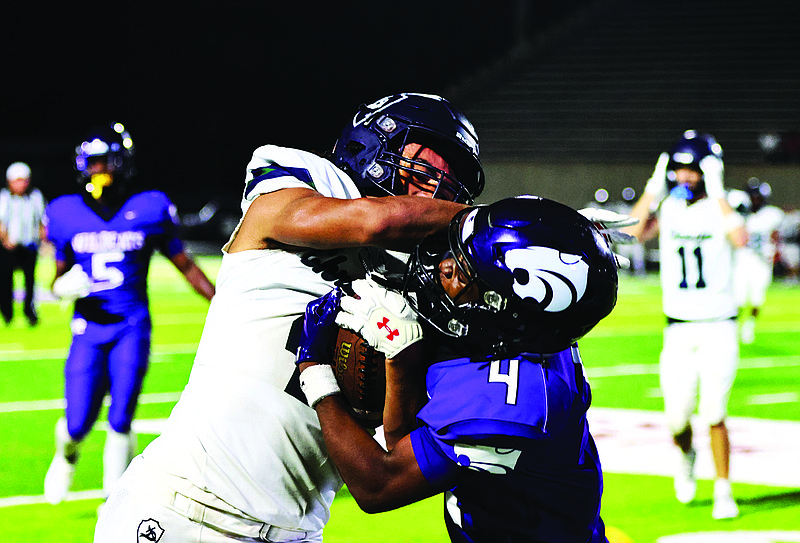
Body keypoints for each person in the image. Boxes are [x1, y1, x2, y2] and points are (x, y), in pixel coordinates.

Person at [94, 93, 486, 543]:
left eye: (455, 177)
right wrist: (488, 222)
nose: (441, 181)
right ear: (378, 139)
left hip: (295, 531)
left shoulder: (433, 285)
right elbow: (373, 224)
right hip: (181, 510)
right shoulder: (305, 179)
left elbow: (397, 444)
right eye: (434, 157)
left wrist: (404, 362)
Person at [295, 196, 622, 543]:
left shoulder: (512, 404)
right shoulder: (525, 332)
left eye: (465, 271)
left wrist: (315, 371)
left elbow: (378, 486)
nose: (444, 266)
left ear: (503, 310)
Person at [43, 121, 216, 506]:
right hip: (88, 329)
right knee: (77, 423)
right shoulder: (65, 212)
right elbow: (54, 282)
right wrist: (60, 288)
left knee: (122, 416)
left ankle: (115, 497)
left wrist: (220, 303)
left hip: (131, 327)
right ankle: (67, 453)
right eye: (92, 163)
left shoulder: (149, 207)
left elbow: (186, 265)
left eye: (104, 163)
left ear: (121, 164)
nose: (97, 171)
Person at [624, 130, 747, 520]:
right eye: (678, 169)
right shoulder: (671, 209)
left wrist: (719, 190)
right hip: (678, 328)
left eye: (692, 170)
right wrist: (653, 187)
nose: (685, 177)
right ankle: (686, 456)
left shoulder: (723, 207)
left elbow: (741, 238)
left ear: (710, 171)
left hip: (719, 326)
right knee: (677, 417)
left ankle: (723, 490)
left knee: (714, 410)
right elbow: (631, 233)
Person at [732, 178, 785, 344]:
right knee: (738, 298)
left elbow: (777, 235)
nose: (755, 200)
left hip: (761, 261)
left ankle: (749, 326)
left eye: (757, 197)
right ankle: (733, 327)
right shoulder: (737, 213)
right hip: (741, 259)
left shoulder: (771, 215)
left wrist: (773, 251)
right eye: (752, 196)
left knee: (756, 298)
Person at [0, 161, 46, 326]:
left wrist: (42, 241)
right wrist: (5, 240)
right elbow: (1, 222)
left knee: (30, 282)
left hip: (29, 246)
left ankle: (30, 312)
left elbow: (41, 221)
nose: (20, 184)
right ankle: (7, 314)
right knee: (5, 281)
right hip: (9, 247)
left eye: (23, 180)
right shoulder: (4, 197)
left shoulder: (35, 197)